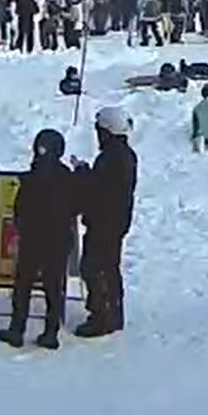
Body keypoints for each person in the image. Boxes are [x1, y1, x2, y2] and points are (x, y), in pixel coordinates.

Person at [0, 129, 77, 349]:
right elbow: (77, 206)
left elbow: (20, 207)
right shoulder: (68, 177)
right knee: (54, 286)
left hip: (33, 239)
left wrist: (23, 227)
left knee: (23, 285)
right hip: (59, 239)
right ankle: (51, 333)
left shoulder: (32, 176)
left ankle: (17, 330)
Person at [76, 107, 138, 338]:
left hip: (104, 221)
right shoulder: (125, 155)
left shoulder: (110, 157)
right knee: (110, 266)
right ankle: (114, 313)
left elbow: (98, 190)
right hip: (117, 220)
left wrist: (83, 173)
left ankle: (101, 317)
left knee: (94, 267)